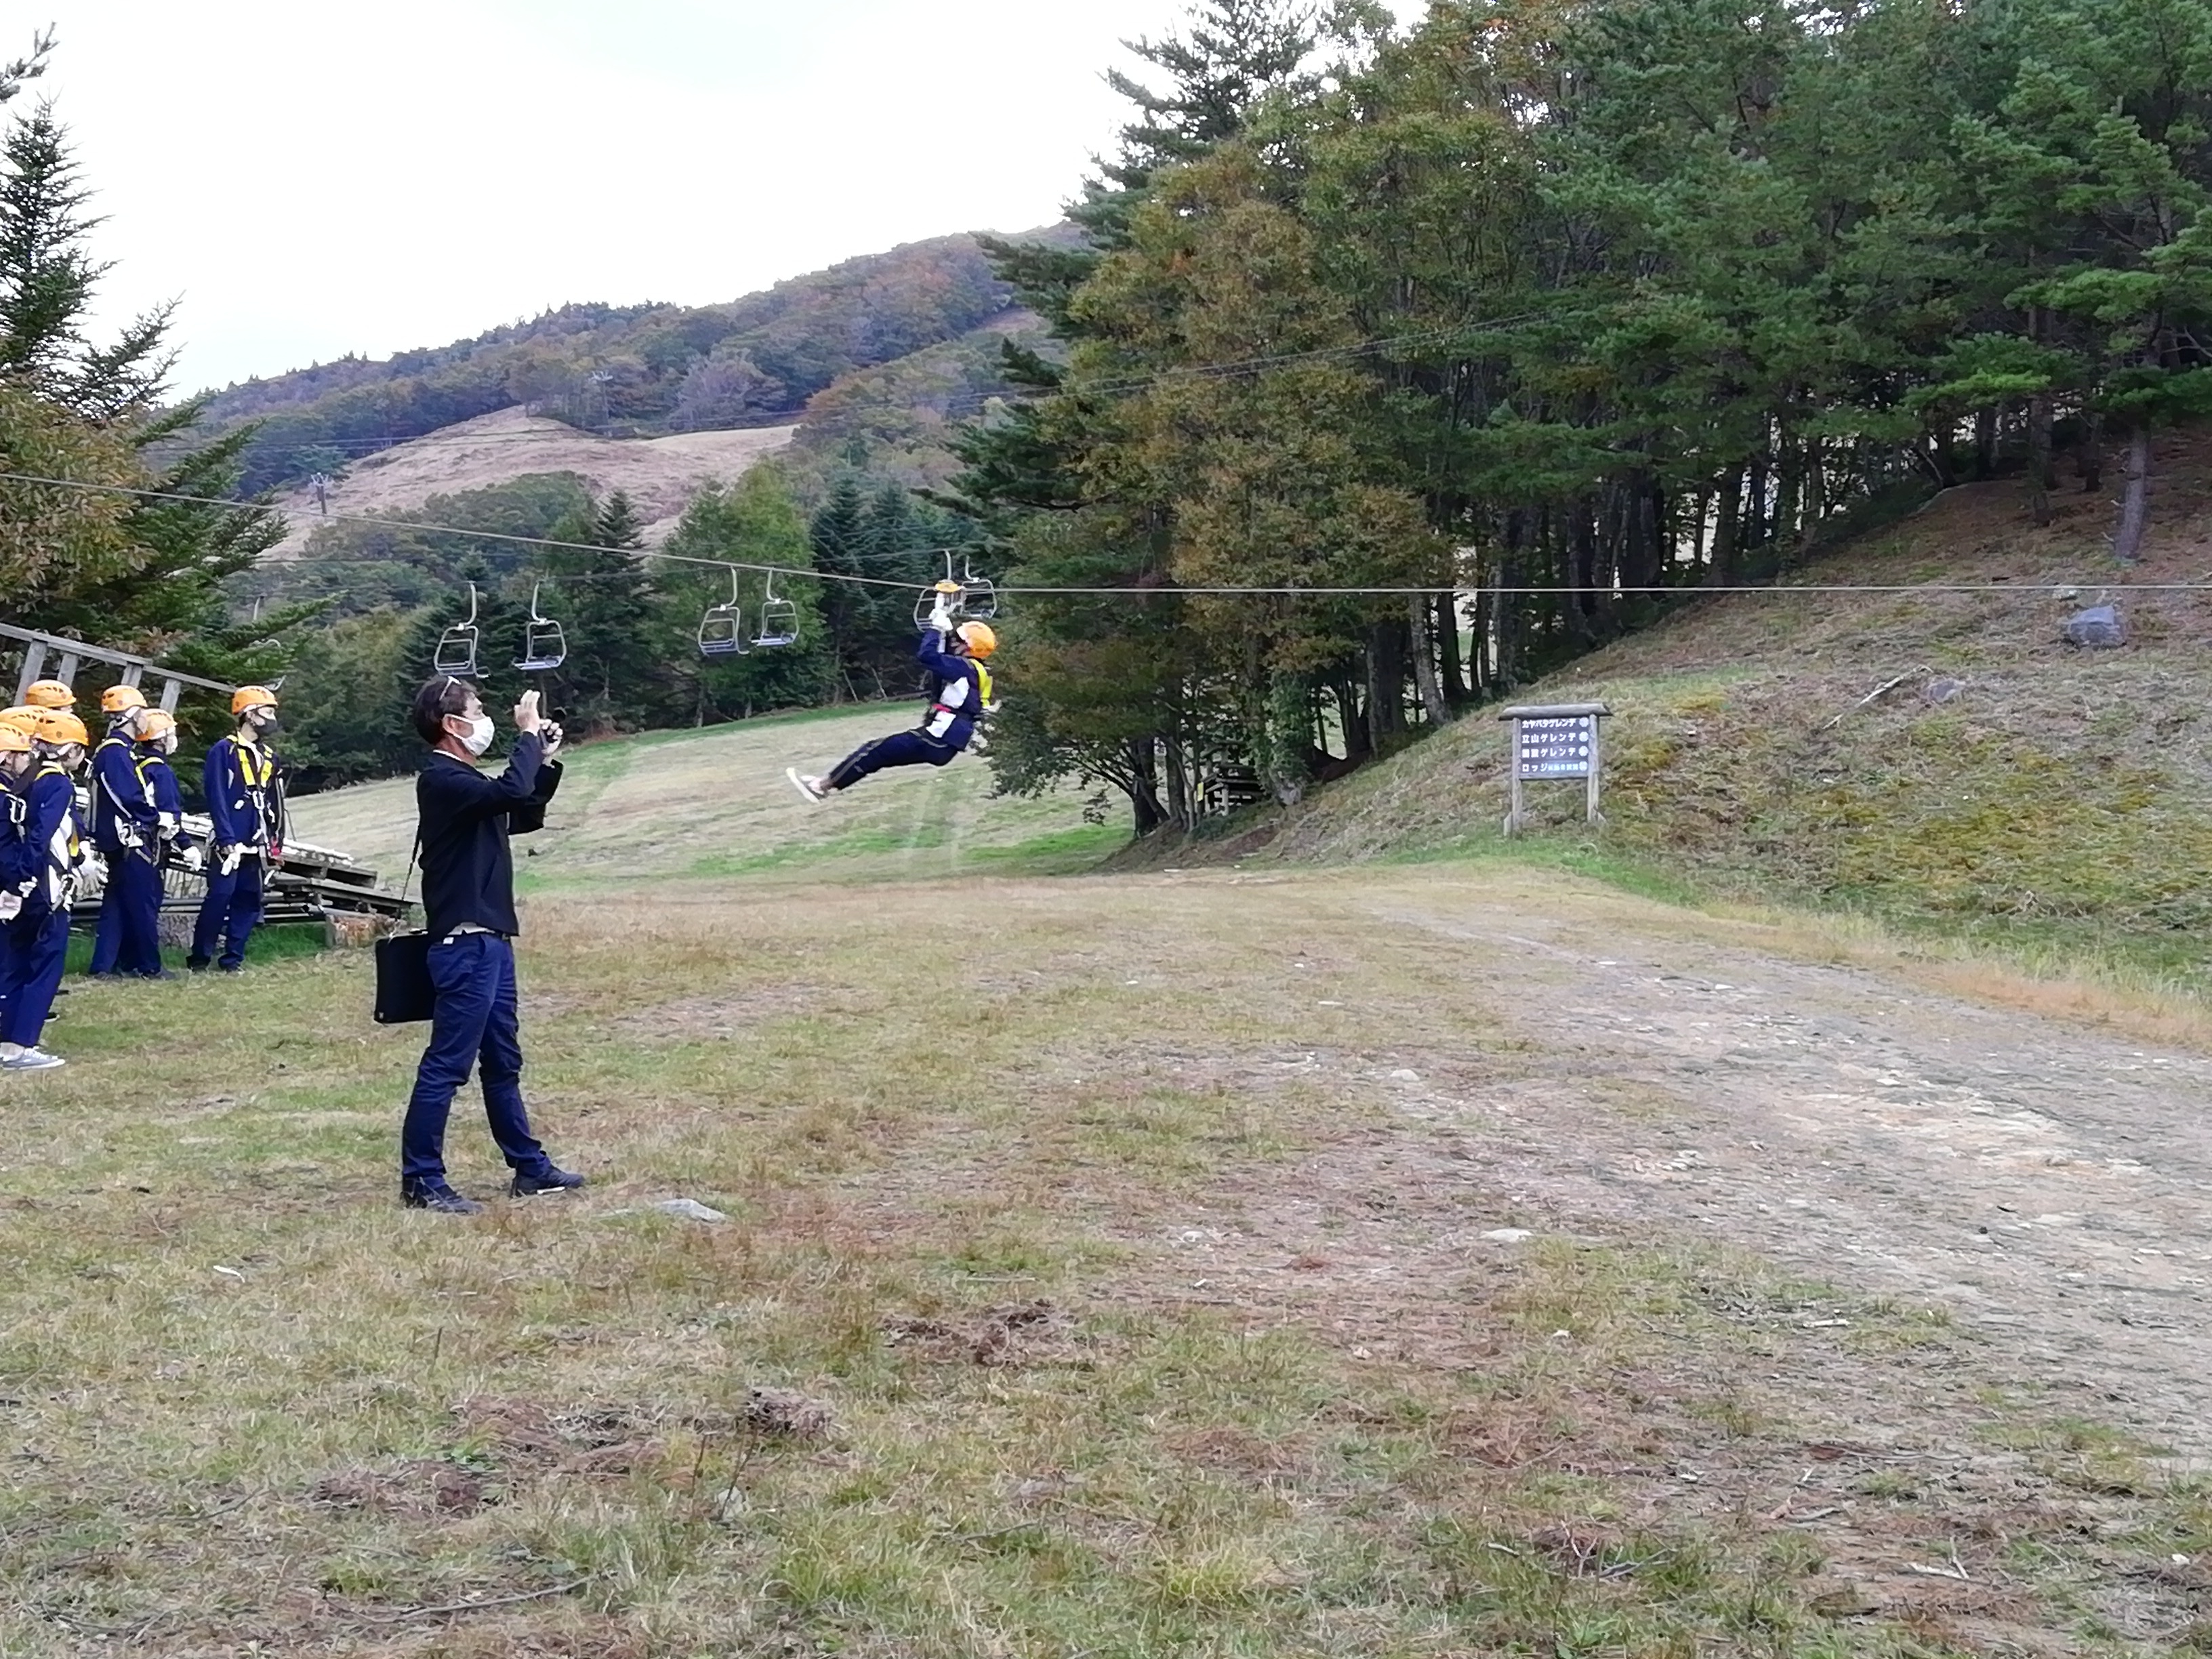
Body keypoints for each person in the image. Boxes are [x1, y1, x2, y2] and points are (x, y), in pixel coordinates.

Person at [398, 677, 581, 1213]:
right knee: (447, 1066)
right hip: (466, 946)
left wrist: (543, 759)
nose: (485, 718)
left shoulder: (465, 782)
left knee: (503, 1062)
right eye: (476, 710)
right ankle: (422, 1180)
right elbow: (507, 793)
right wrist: (526, 736)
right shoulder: (440, 779)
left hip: (490, 944)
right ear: (451, 725)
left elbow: (521, 810)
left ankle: (529, 1167)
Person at [786, 585, 997, 802]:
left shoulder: (963, 668)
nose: (953, 642)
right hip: (944, 742)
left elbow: (927, 656)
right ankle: (827, 784)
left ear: (968, 648)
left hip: (938, 738)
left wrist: (935, 628)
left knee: (873, 750)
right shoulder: (974, 671)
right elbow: (939, 664)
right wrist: (941, 624)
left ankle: (822, 786)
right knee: (877, 756)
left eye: (958, 640)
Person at [1, 710, 94, 1070]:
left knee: (14, 964)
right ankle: (21, 1045)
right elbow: (41, 835)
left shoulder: (25, 780)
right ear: (68, 748)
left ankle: (9, 1040)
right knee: (44, 966)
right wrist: (24, 880)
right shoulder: (57, 783)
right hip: (44, 885)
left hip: (22, 882)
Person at [190, 685, 285, 972]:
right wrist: (225, 837)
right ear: (249, 714)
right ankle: (200, 957)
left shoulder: (269, 756)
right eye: (266, 712)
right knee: (220, 897)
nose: (271, 718)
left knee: (249, 899)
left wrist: (275, 842)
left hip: (255, 842)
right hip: (229, 841)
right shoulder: (224, 750)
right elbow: (217, 794)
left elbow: (276, 802)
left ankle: (233, 958)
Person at [88, 686, 159, 977]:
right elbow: (127, 796)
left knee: (115, 906)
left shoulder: (115, 751)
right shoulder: (116, 753)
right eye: (142, 712)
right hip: (128, 838)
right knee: (142, 904)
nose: (146, 719)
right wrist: (154, 817)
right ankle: (149, 966)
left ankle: (104, 966)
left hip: (117, 839)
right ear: (130, 715)